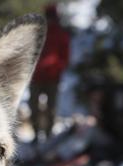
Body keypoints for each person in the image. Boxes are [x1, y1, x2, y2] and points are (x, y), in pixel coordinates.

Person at [29, 4, 70, 142]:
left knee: (51, 109)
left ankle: (48, 136)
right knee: (34, 107)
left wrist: (56, 67)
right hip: (36, 77)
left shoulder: (61, 34)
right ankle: (36, 135)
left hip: (53, 78)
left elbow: (65, 56)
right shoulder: (37, 33)